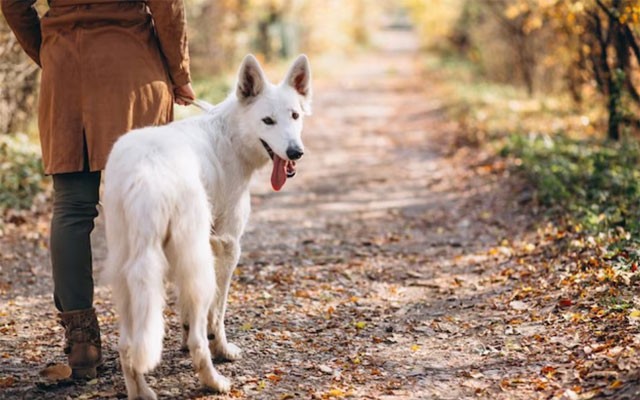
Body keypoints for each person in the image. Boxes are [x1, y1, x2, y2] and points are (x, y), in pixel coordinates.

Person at [1, 0, 195, 379]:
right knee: (152, 201)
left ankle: (82, 344)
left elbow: (12, 2)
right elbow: (167, 5)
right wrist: (179, 71)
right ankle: (179, 325)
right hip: (132, 65)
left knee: (72, 207)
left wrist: (48, 48)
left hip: (65, 69)